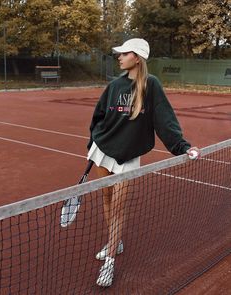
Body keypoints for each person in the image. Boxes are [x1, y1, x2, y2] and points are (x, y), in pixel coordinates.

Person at [87, 38, 200, 287]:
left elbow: (165, 120)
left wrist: (181, 146)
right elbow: (99, 117)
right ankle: (114, 240)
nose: (119, 57)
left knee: (118, 207)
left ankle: (110, 262)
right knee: (106, 199)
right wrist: (92, 142)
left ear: (136, 58)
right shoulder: (114, 85)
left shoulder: (151, 85)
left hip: (127, 157)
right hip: (103, 151)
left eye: (124, 53)